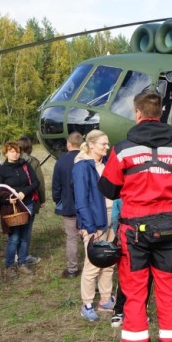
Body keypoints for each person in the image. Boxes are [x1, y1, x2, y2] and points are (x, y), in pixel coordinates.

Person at [98, 91, 172, 342]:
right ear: (160, 113)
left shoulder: (123, 149)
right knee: (168, 294)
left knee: (135, 298)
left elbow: (109, 189)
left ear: (137, 113)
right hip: (167, 229)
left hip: (133, 233)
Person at [74, 130, 115, 322]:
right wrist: (90, 228)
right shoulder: (82, 167)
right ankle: (87, 304)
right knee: (92, 264)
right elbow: (81, 200)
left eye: (107, 144)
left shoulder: (104, 165)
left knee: (109, 262)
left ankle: (106, 299)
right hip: (94, 222)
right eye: (103, 144)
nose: (107, 147)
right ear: (91, 144)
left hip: (110, 218)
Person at [0, 141, 40, 279]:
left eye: (17, 151)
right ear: (6, 153)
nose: (15, 154)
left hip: (27, 204)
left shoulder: (25, 165)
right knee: (14, 237)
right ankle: (9, 265)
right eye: (12, 151)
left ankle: (22, 263)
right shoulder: (1, 171)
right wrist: (8, 200)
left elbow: (36, 182)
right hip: (11, 207)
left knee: (25, 236)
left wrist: (24, 192)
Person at [52, 132, 84, 278]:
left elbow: (56, 187)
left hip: (68, 205)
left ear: (68, 144)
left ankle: (72, 269)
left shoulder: (61, 162)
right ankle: (93, 265)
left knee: (71, 238)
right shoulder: (87, 160)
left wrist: (58, 200)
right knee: (89, 237)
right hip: (86, 207)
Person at [17, 136, 44, 265]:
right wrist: (42, 199)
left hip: (13, 199)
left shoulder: (10, 159)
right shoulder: (33, 161)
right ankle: (24, 255)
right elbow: (40, 182)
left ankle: (16, 254)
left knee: (15, 228)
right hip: (29, 199)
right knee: (26, 229)